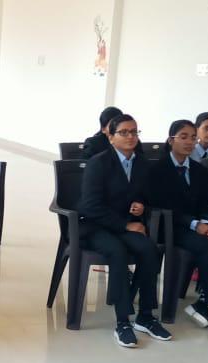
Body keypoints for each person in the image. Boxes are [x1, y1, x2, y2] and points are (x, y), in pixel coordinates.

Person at [146, 119, 208, 338]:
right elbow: (162, 206)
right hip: (170, 227)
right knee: (202, 244)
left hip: (197, 226)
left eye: (193, 137)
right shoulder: (158, 170)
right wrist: (194, 225)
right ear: (171, 140)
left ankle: (202, 302)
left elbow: (207, 203)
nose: (189, 142)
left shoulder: (200, 170)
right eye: (183, 137)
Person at [77, 114, 166, 347]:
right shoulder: (98, 163)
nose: (130, 137)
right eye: (124, 132)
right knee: (117, 251)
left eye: (134, 132)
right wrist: (126, 225)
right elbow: (90, 206)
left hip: (125, 225)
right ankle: (123, 321)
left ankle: (145, 315)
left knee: (149, 249)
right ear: (111, 137)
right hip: (97, 226)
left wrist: (142, 206)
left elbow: (148, 196)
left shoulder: (141, 164)